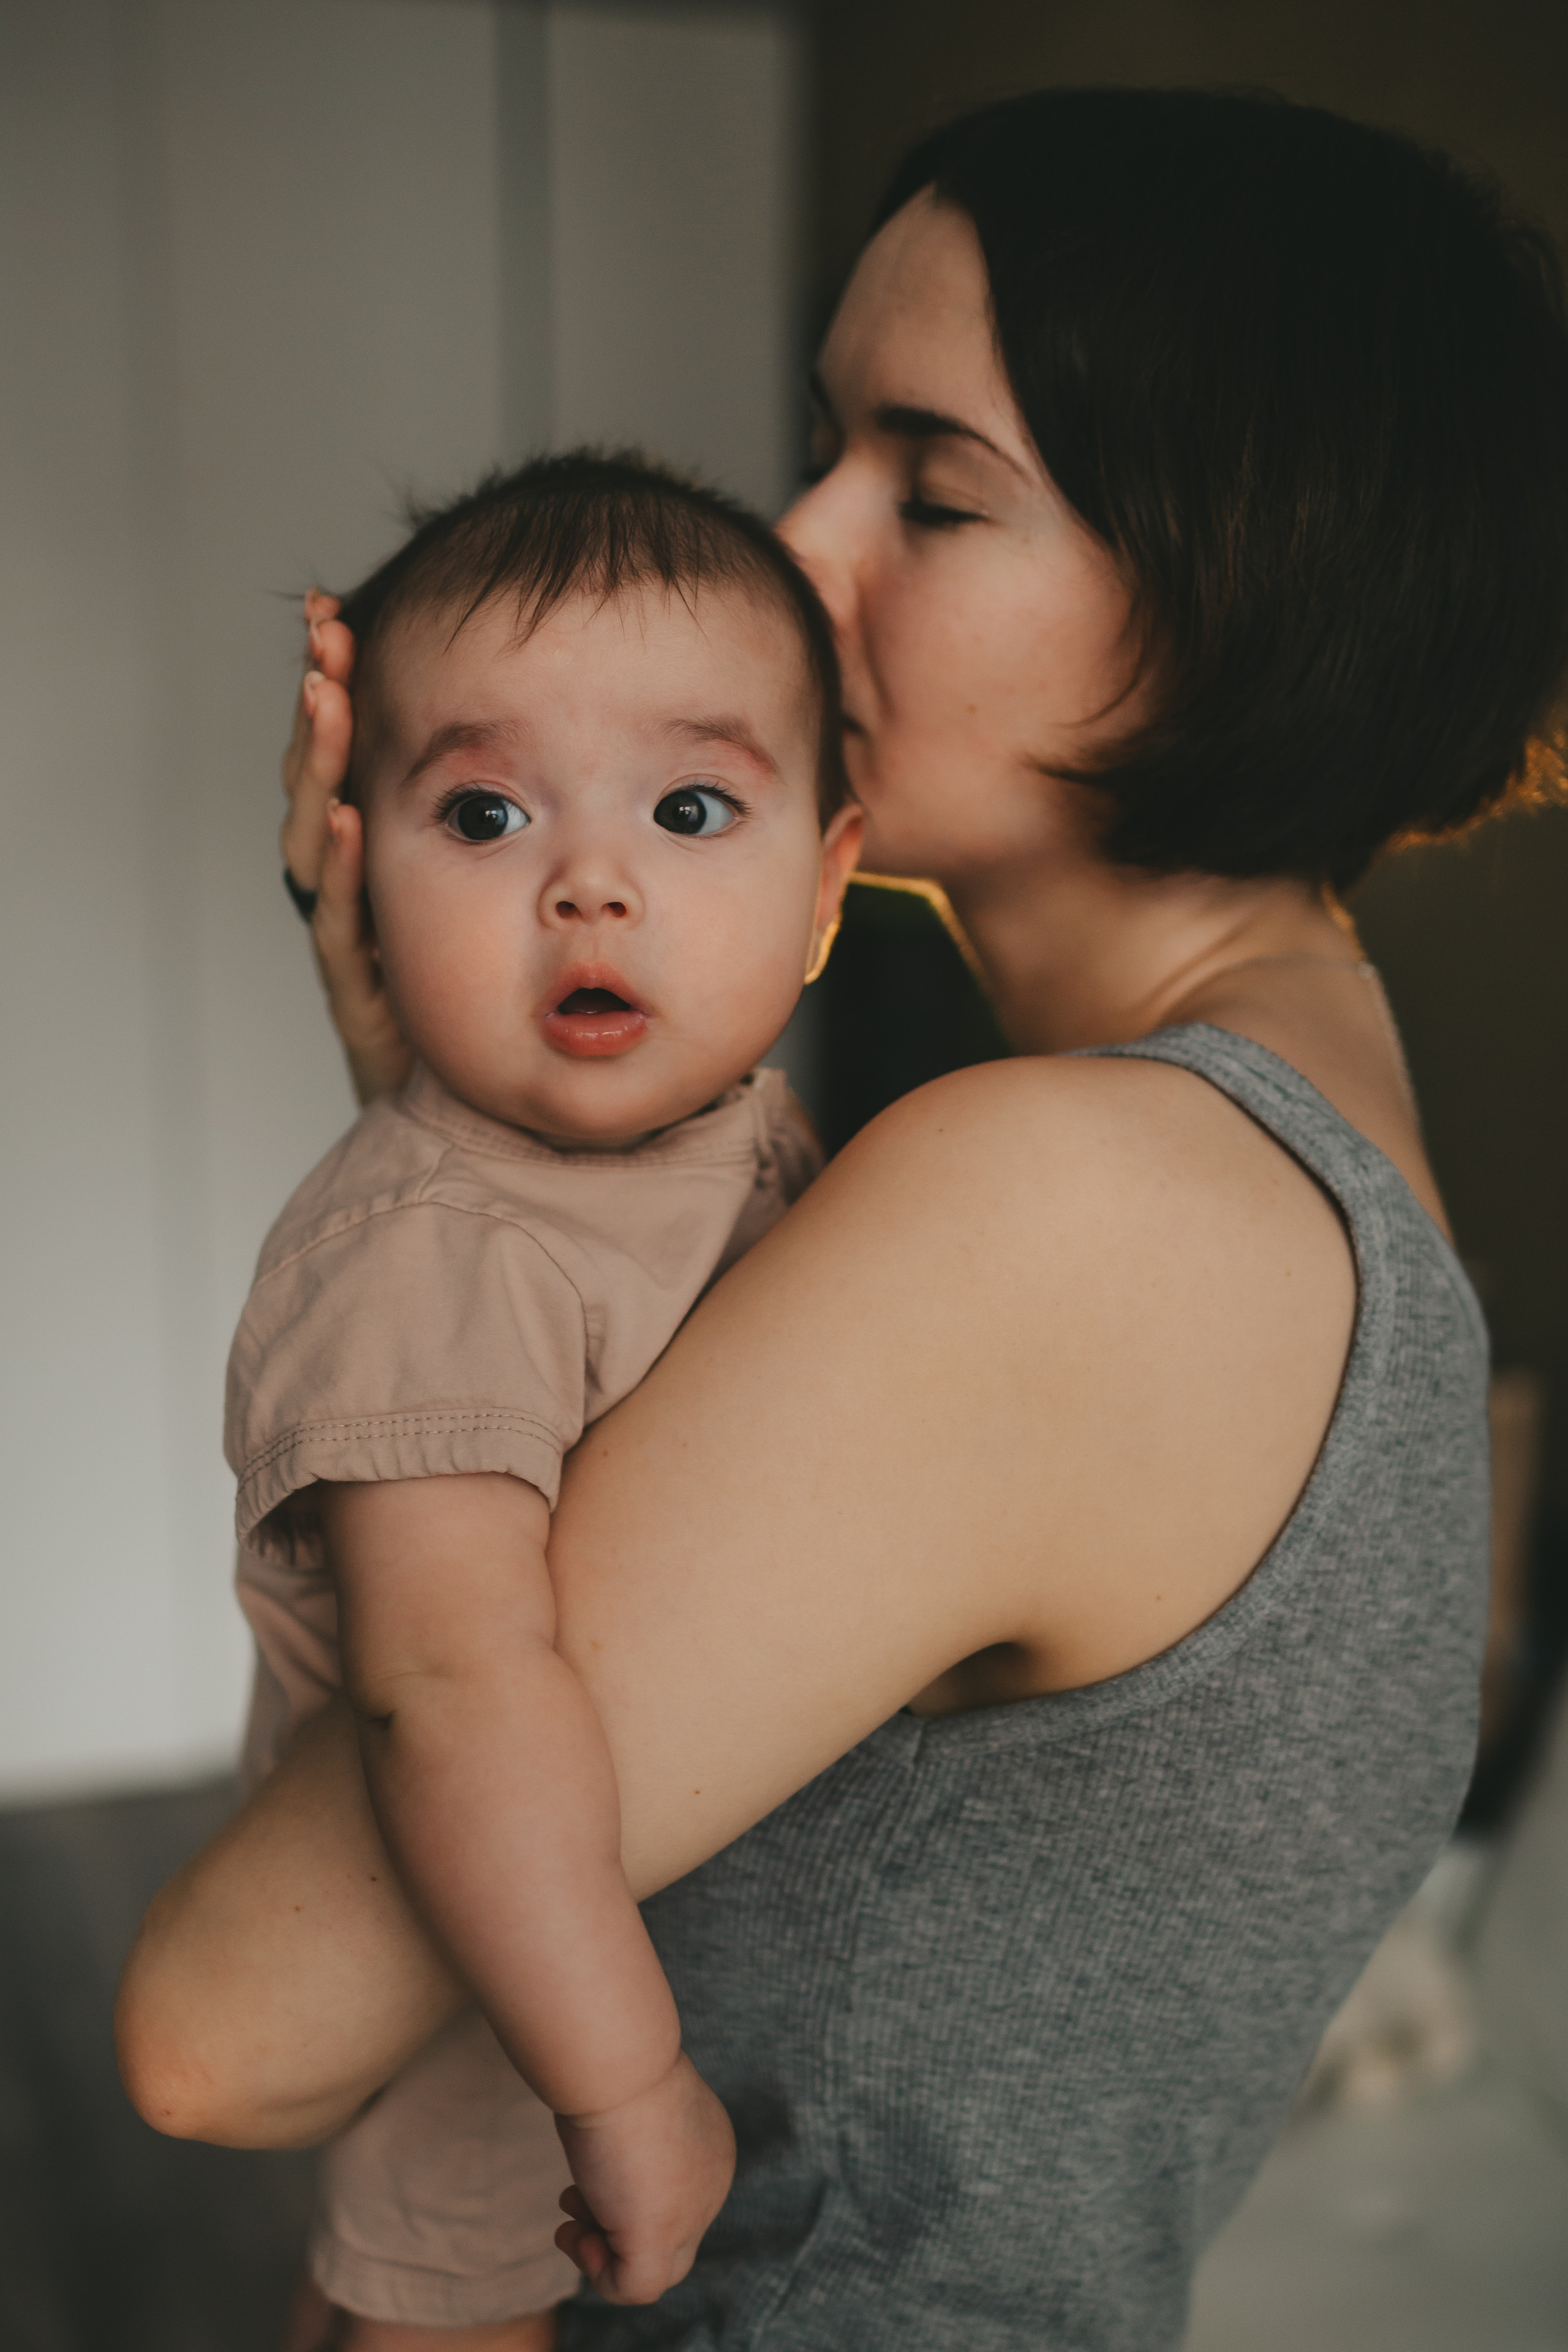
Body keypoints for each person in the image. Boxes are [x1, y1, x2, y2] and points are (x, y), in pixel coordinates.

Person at [117, 87, 1568, 2352]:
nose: (796, 548)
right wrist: (444, 1135)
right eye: (823, 446)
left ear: (1246, 576)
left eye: (933, 488)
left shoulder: (1077, 1205)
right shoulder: (1323, 1159)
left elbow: (225, 2028)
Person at [224, 453, 861, 2336]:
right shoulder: (431, 1256)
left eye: (690, 807)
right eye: (486, 812)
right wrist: (624, 2084)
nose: (591, 881)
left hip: (679, 1958)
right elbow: (456, 1690)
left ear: (828, 889)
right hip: (494, 2049)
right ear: (362, 874)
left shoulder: (749, 1142)